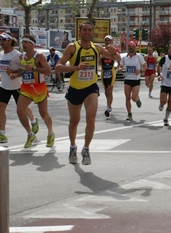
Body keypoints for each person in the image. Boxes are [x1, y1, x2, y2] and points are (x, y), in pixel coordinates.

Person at [55, 21, 120, 165]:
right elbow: (58, 67)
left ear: (92, 33)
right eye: (84, 30)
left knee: (91, 119)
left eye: (90, 30)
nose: (87, 32)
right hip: (74, 88)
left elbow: (118, 60)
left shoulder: (97, 48)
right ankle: (72, 147)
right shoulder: (72, 47)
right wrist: (76, 68)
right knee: (74, 121)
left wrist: (114, 52)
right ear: (80, 31)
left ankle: (86, 149)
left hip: (91, 87)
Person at [0, 31, 39, 144]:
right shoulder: (1, 54)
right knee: (0, 109)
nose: (1, 42)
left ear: (9, 41)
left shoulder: (17, 55)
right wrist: (0, 75)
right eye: (0, 40)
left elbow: (24, 69)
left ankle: (33, 122)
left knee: (22, 109)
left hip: (17, 86)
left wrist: (14, 73)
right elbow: (3, 69)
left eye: (3, 39)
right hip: (4, 86)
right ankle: (2, 134)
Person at [14, 34, 55, 148]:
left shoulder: (39, 56)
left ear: (32, 44)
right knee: (20, 110)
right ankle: (30, 134)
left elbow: (48, 71)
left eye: (26, 42)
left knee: (44, 114)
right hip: (26, 88)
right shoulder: (21, 57)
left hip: (39, 88)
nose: (24, 44)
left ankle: (50, 133)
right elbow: (24, 71)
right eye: (22, 42)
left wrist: (33, 69)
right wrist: (14, 74)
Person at [117, 41, 146, 121]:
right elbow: (121, 66)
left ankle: (137, 99)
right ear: (128, 48)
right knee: (127, 98)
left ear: (135, 48)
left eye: (132, 47)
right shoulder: (124, 58)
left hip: (136, 80)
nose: (131, 48)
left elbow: (145, 66)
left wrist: (140, 71)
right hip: (127, 79)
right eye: (129, 47)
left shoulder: (139, 57)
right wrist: (120, 68)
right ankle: (129, 113)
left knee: (133, 98)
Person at [100, 35, 119, 118]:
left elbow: (118, 58)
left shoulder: (113, 50)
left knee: (110, 90)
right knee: (106, 91)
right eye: (105, 40)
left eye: (109, 40)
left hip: (111, 71)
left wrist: (120, 66)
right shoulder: (101, 50)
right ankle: (109, 104)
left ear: (111, 42)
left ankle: (108, 107)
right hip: (103, 72)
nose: (107, 42)